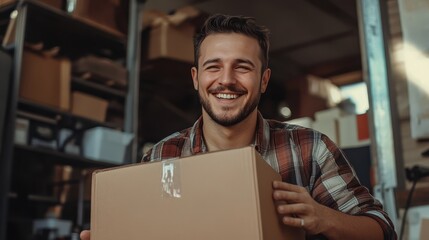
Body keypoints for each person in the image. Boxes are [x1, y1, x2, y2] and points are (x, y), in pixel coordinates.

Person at [81, 14, 397, 240]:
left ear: (264, 80)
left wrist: (323, 217)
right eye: (213, 67)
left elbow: (381, 228)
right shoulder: (163, 156)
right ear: (196, 78)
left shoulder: (308, 148)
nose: (227, 80)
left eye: (242, 67)